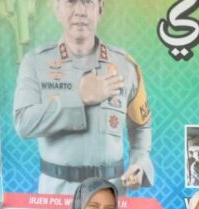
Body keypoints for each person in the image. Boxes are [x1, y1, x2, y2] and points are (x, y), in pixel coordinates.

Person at [14, 0, 153, 194]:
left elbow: (140, 126)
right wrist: (78, 98)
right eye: (71, 2)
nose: (80, 11)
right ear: (56, 7)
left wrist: (140, 163)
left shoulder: (125, 66)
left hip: (110, 193)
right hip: (56, 193)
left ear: (100, 8)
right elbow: (23, 124)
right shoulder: (35, 63)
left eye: (88, 2)